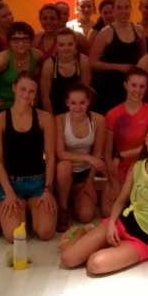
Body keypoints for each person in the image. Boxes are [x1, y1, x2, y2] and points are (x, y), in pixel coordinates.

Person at [62, 120, 148, 274]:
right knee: (68, 258)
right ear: (145, 141)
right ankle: (82, 232)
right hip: (121, 222)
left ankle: (94, 239)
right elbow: (121, 200)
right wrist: (112, 223)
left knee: (94, 264)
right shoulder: (137, 166)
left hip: (143, 240)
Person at [0, 72, 57, 242]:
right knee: (14, 236)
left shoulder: (45, 118)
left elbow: (50, 157)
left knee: (45, 233)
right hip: (11, 183)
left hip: (38, 183)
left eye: (31, 91)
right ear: (14, 88)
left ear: (36, 93)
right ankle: (22, 212)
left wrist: (48, 190)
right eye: (23, 89)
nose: (26, 94)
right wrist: (9, 193)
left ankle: (32, 212)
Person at [103, 68, 148, 217]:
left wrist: (122, 154)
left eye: (142, 86)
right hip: (120, 170)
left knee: (144, 211)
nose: (137, 90)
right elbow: (107, 153)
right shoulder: (113, 114)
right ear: (125, 85)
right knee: (108, 211)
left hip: (145, 167)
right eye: (134, 85)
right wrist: (114, 182)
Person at [55, 83, 107, 229]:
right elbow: (60, 153)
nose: (78, 107)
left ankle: (74, 196)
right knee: (64, 165)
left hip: (84, 172)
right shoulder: (59, 120)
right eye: (73, 103)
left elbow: (97, 155)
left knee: (86, 216)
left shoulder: (98, 120)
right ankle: (63, 208)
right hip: (64, 172)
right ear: (67, 103)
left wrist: (90, 182)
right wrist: (87, 158)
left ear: (88, 101)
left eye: (82, 103)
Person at [89, 0, 147, 115]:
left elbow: (144, 58)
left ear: (131, 9)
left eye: (126, 7)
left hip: (133, 86)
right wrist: (118, 67)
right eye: (119, 8)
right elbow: (92, 62)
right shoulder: (106, 32)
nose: (123, 11)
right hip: (111, 86)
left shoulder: (139, 30)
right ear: (114, 11)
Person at [0, 21, 44, 112]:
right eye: (15, 40)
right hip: (1, 108)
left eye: (25, 39)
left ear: (31, 41)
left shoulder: (37, 56)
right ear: (9, 41)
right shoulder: (3, 59)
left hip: (25, 107)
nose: (20, 43)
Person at [40, 28, 91, 115]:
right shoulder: (49, 65)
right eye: (61, 45)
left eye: (70, 44)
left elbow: (85, 92)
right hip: (56, 111)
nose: (66, 48)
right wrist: (51, 119)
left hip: (78, 109)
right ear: (56, 45)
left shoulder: (83, 61)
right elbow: (45, 97)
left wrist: (81, 116)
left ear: (75, 44)